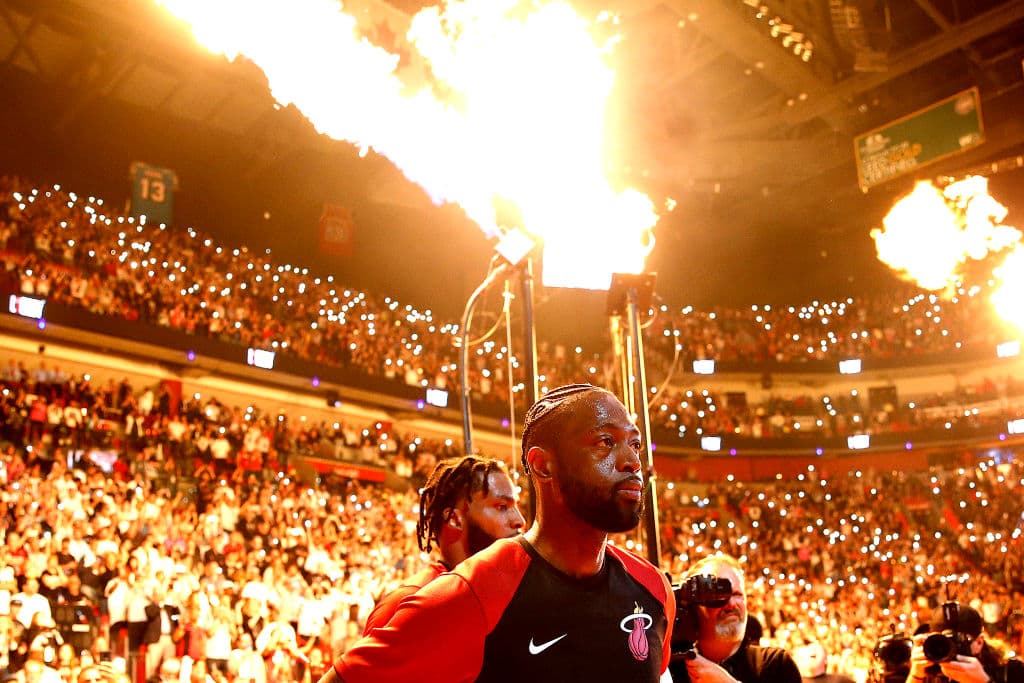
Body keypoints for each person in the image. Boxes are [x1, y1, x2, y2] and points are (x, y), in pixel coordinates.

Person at [321, 383, 676, 682]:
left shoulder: (655, 591)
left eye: (635, 443)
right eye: (604, 442)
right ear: (542, 465)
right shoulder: (475, 592)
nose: (631, 460)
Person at [361, 454, 526, 635]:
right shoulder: (407, 603)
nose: (520, 520)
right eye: (502, 506)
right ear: (455, 519)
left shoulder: (504, 598)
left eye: (516, 507)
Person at [668, 553, 801, 683]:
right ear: (693, 607)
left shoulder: (776, 665)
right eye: (718, 596)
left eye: (737, 594)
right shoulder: (668, 670)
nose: (731, 604)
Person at [906, 603, 1024, 683]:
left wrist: (983, 680)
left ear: (979, 642)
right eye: (941, 642)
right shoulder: (929, 669)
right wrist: (915, 676)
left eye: (957, 642)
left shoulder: (1010, 670)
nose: (949, 650)